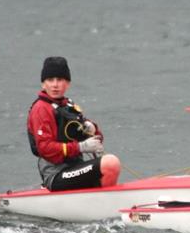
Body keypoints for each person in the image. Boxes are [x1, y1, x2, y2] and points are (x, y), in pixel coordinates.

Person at [27, 57, 121, 191]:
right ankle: (103, 203)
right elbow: (45, 148)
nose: (55, 85)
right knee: (110, 163)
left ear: (67, 84)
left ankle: (102, 201)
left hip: (75, 168)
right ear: (43, 84)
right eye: (50, 80)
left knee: (111, 165)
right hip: (55, 174)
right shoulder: (41, 109)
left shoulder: (68, 105)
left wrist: (93, 131)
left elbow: (94, 140)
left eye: (59, 80)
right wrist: (81, 147)